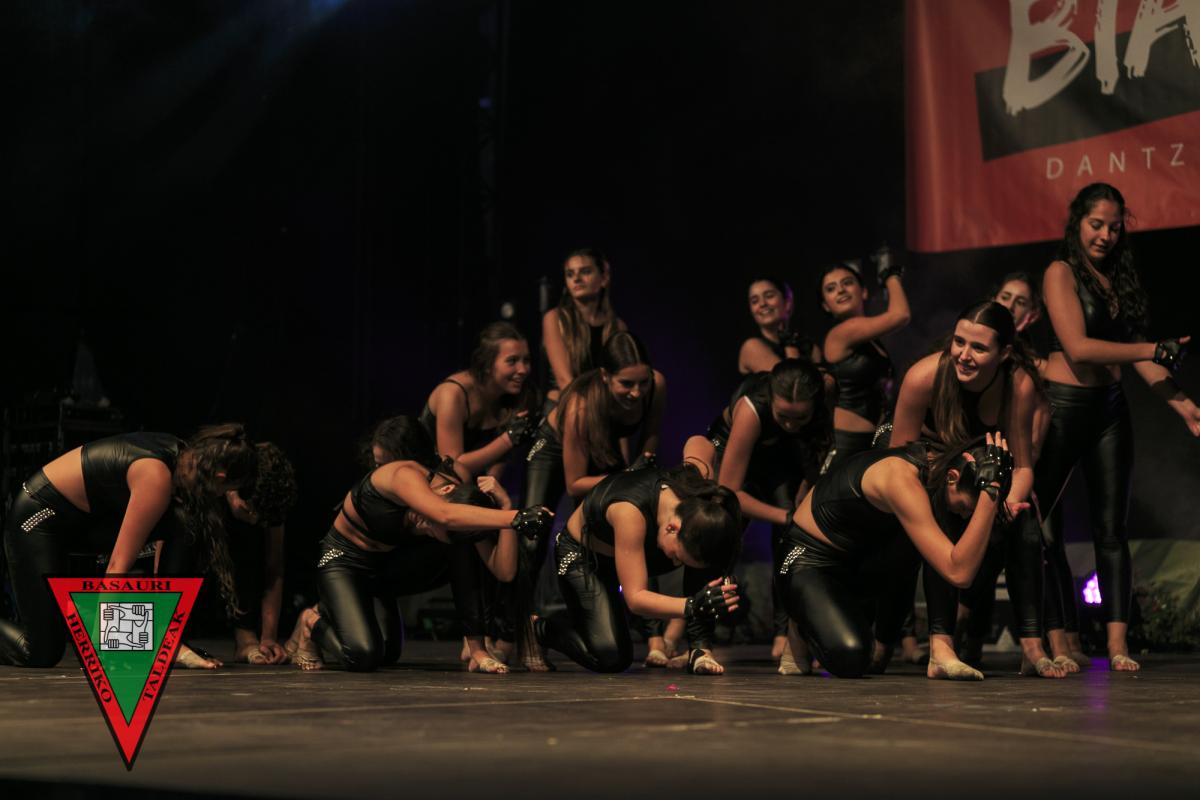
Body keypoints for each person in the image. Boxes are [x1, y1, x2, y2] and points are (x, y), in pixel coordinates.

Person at [1036, 182, 1198, 672]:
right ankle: (1056, 637)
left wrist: (1183, 404)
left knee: (1112, 530)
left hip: (1109, 409)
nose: (1105, 235)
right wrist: (1151, 348)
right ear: (1077, 222)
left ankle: (1116, 646)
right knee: (1043, 525)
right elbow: (1079, 348)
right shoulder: (1060, 272)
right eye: (1096, 224)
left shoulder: (1115, 281)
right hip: (1063, 406)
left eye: (1114, 226)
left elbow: (1137, 354)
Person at [890, 301, 1062, 678]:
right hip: (923, 474)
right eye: (959, 342)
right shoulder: (924, 377)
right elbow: (896, 464)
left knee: (1026, 519)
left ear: (1004, 353)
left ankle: (1032, 646)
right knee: (942, 511)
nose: (964, 355)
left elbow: (1023, 466)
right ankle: (940, 644)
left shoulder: (1017, 383)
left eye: (979, 348)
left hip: (983, 480)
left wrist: (1008, 503)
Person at [1, 425, 260, 667]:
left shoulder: (185, 462)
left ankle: (166, 640)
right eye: (227, 489)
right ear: (220, 477)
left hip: (81, 523)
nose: (221, 496)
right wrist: (104, 645)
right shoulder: (156, 476)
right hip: (38, 517)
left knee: (187, 523)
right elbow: (117, 566)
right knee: (41, 652)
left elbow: (168, 545)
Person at [779, 434, 1019, 678]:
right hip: (807, 559)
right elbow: (959, 573)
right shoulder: (901, 479)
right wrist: (990, 492)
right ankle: (800, 624)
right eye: (966, 507)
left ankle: (937, 650)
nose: (966, 516)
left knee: (929, 546)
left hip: (855, 564)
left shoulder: (938, 474)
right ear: (952, 477)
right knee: (852, 657)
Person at [283, 457, 554, 673]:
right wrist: (516, 516)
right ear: (446, 489)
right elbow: (444, 515)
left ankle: (476, 647)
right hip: (344, 562)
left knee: (387, 653)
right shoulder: (406, 476)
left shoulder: (458, 506)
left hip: (381, 573)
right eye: (432, 524)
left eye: (434, 532)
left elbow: (504, 571)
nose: (427, 528)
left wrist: (505, 505)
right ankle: (311, 623)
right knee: (362, 655)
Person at [523, 331, 669, 666]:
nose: (637, 392)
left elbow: (651, 433)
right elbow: (575, 484)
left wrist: (642, 465)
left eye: (642, 382)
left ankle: (654, 638)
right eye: (626, 384)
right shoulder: (581, 406)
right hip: (555, 449)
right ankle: (515, 631)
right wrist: (626, 478)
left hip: (603, 447)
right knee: (532, 537)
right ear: (605, 376)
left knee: (637, 523)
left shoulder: (656, 385)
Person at [684, 358, 830, 669]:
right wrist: (786, 516)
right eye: (783, 416)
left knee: (795, 538)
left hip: (781, 457)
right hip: (732, 455)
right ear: (772, 400)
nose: (791, 424)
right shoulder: (752, 410)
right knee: (718, 529)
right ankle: (696, 639)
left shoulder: (825, 391)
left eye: (800, 417)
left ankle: (786, 634)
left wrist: (803, 495)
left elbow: (817, 451)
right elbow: (730, 492)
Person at [534, 464, 743, 674]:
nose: (675, 562)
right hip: (585, 557)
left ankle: (700, 648)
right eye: (677, 557)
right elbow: (636, 599)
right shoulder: (629, 513)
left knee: (708, 545)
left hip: (633, 549)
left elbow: (698, 441)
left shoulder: (697, 506)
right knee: (611, 658)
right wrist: (693, 605)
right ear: (672, 528)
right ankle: (539, 629)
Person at [822, 248, 909, 467]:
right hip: (846, 443)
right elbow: (900, 315)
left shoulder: (870, 339)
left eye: (847, 283)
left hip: (870, 442)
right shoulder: (840, 333)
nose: (840, 290)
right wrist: (891, 276)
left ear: (864, 291)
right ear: (825, 305)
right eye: (831, 288)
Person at [419, 321, 540, 479]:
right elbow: (450, 467)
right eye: (512, 361)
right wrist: (508, 439)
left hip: (470, 482)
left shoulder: (518, 393)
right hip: (425, 479)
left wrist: (490, 487)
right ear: (487, 364)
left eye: (526, 360)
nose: (523, 369)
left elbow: (499, 458)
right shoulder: (453, 394)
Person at [542, 247, 625, 403]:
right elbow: (564, 380)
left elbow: (620, 377)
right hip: (566, 401)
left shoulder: (617, 326)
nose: (576, 279)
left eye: (585, 272)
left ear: (604, 278)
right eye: (570, 274)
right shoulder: (554, 318)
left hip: (602, 401)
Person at [738, 277, 820, 374]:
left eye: (769, 296)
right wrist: (790, 346)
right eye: (754, 301)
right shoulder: (751, 347)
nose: (762, 304)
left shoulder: (808, 346)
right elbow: (789, 380)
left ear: (788, 302)